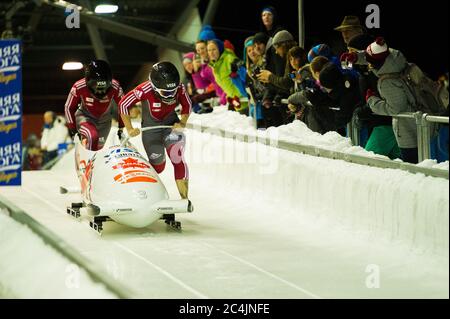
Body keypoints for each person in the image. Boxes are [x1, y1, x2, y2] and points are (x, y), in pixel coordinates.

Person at [119, 61, 192, 201]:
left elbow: (187, 104)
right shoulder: (144, 89)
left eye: (173, 91)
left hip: (170, 127)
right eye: (166, 92)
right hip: (151, 130)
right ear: (154, 87)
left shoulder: (181, 88)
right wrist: (129, 128)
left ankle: (185, 198)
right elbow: (123, 104)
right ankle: (148, 196)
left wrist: (182, 122)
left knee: (177, 158)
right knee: (158, 167)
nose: (171, 96)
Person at [64, 60, 124, 151]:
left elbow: (123, 106)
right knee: (93, 137)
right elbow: (69, 107)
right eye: (96, 88)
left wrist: (121, 127)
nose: (100, 92)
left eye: (103, 89)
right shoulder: (78, 86)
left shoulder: (115, 87)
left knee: (99, 148)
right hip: (85, 118)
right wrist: (73, 130)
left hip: (105, 121)